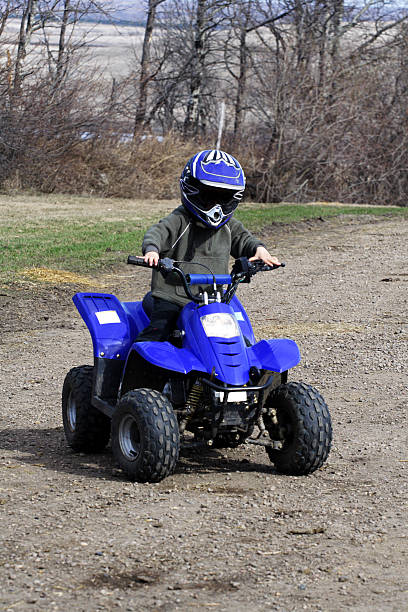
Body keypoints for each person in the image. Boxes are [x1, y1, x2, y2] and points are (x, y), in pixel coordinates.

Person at [136, 149, 280, 342]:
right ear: (191, 188)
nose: (216, 207)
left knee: (239, 342)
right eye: (209, 196)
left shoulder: (229, 226)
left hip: (213, 300)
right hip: (173, 297)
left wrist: (259, 250)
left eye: (223, 198)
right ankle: (136, 369)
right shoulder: (180, 219)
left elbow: (245, 240)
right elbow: (158, 233)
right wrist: (152, 250)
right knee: (157, 333)